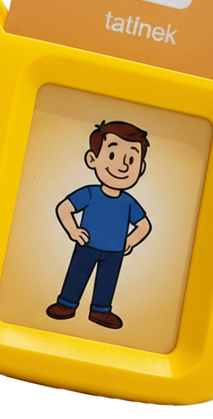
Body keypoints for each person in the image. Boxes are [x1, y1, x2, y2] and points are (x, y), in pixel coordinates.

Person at [46, 121, 152, 329]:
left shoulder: (128, 202)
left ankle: (101, 311)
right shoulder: (90, 193)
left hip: (114, 251)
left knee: (107, 281)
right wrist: (73, 230)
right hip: (87, 245)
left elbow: (144, 225)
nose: (122, 166)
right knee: (77, 275)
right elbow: (64, 208)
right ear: (92, 159)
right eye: (112, 155)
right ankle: (66, 304)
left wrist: (130, 241)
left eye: (131, 160)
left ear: (141, 168)